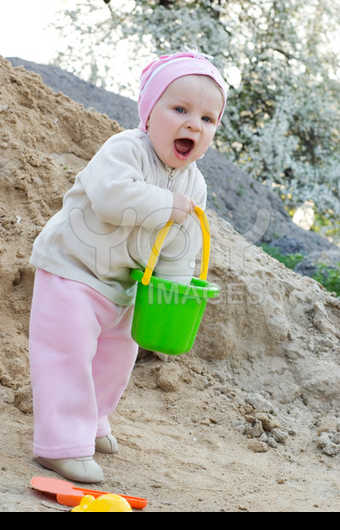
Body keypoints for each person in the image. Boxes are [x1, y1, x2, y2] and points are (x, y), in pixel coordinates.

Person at [28, 51, 227, 483]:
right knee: (68, 354)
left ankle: (93, 420)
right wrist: (164, 205)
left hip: (123, 284)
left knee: (116, 358)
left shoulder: (194, 184)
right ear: (149, 115)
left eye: (208, 119)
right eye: (179, 109)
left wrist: (172, 295)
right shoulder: (125, 149)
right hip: (72, 270)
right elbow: (111, 196)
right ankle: (60, 444)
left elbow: (180, 243)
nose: (194, 124)